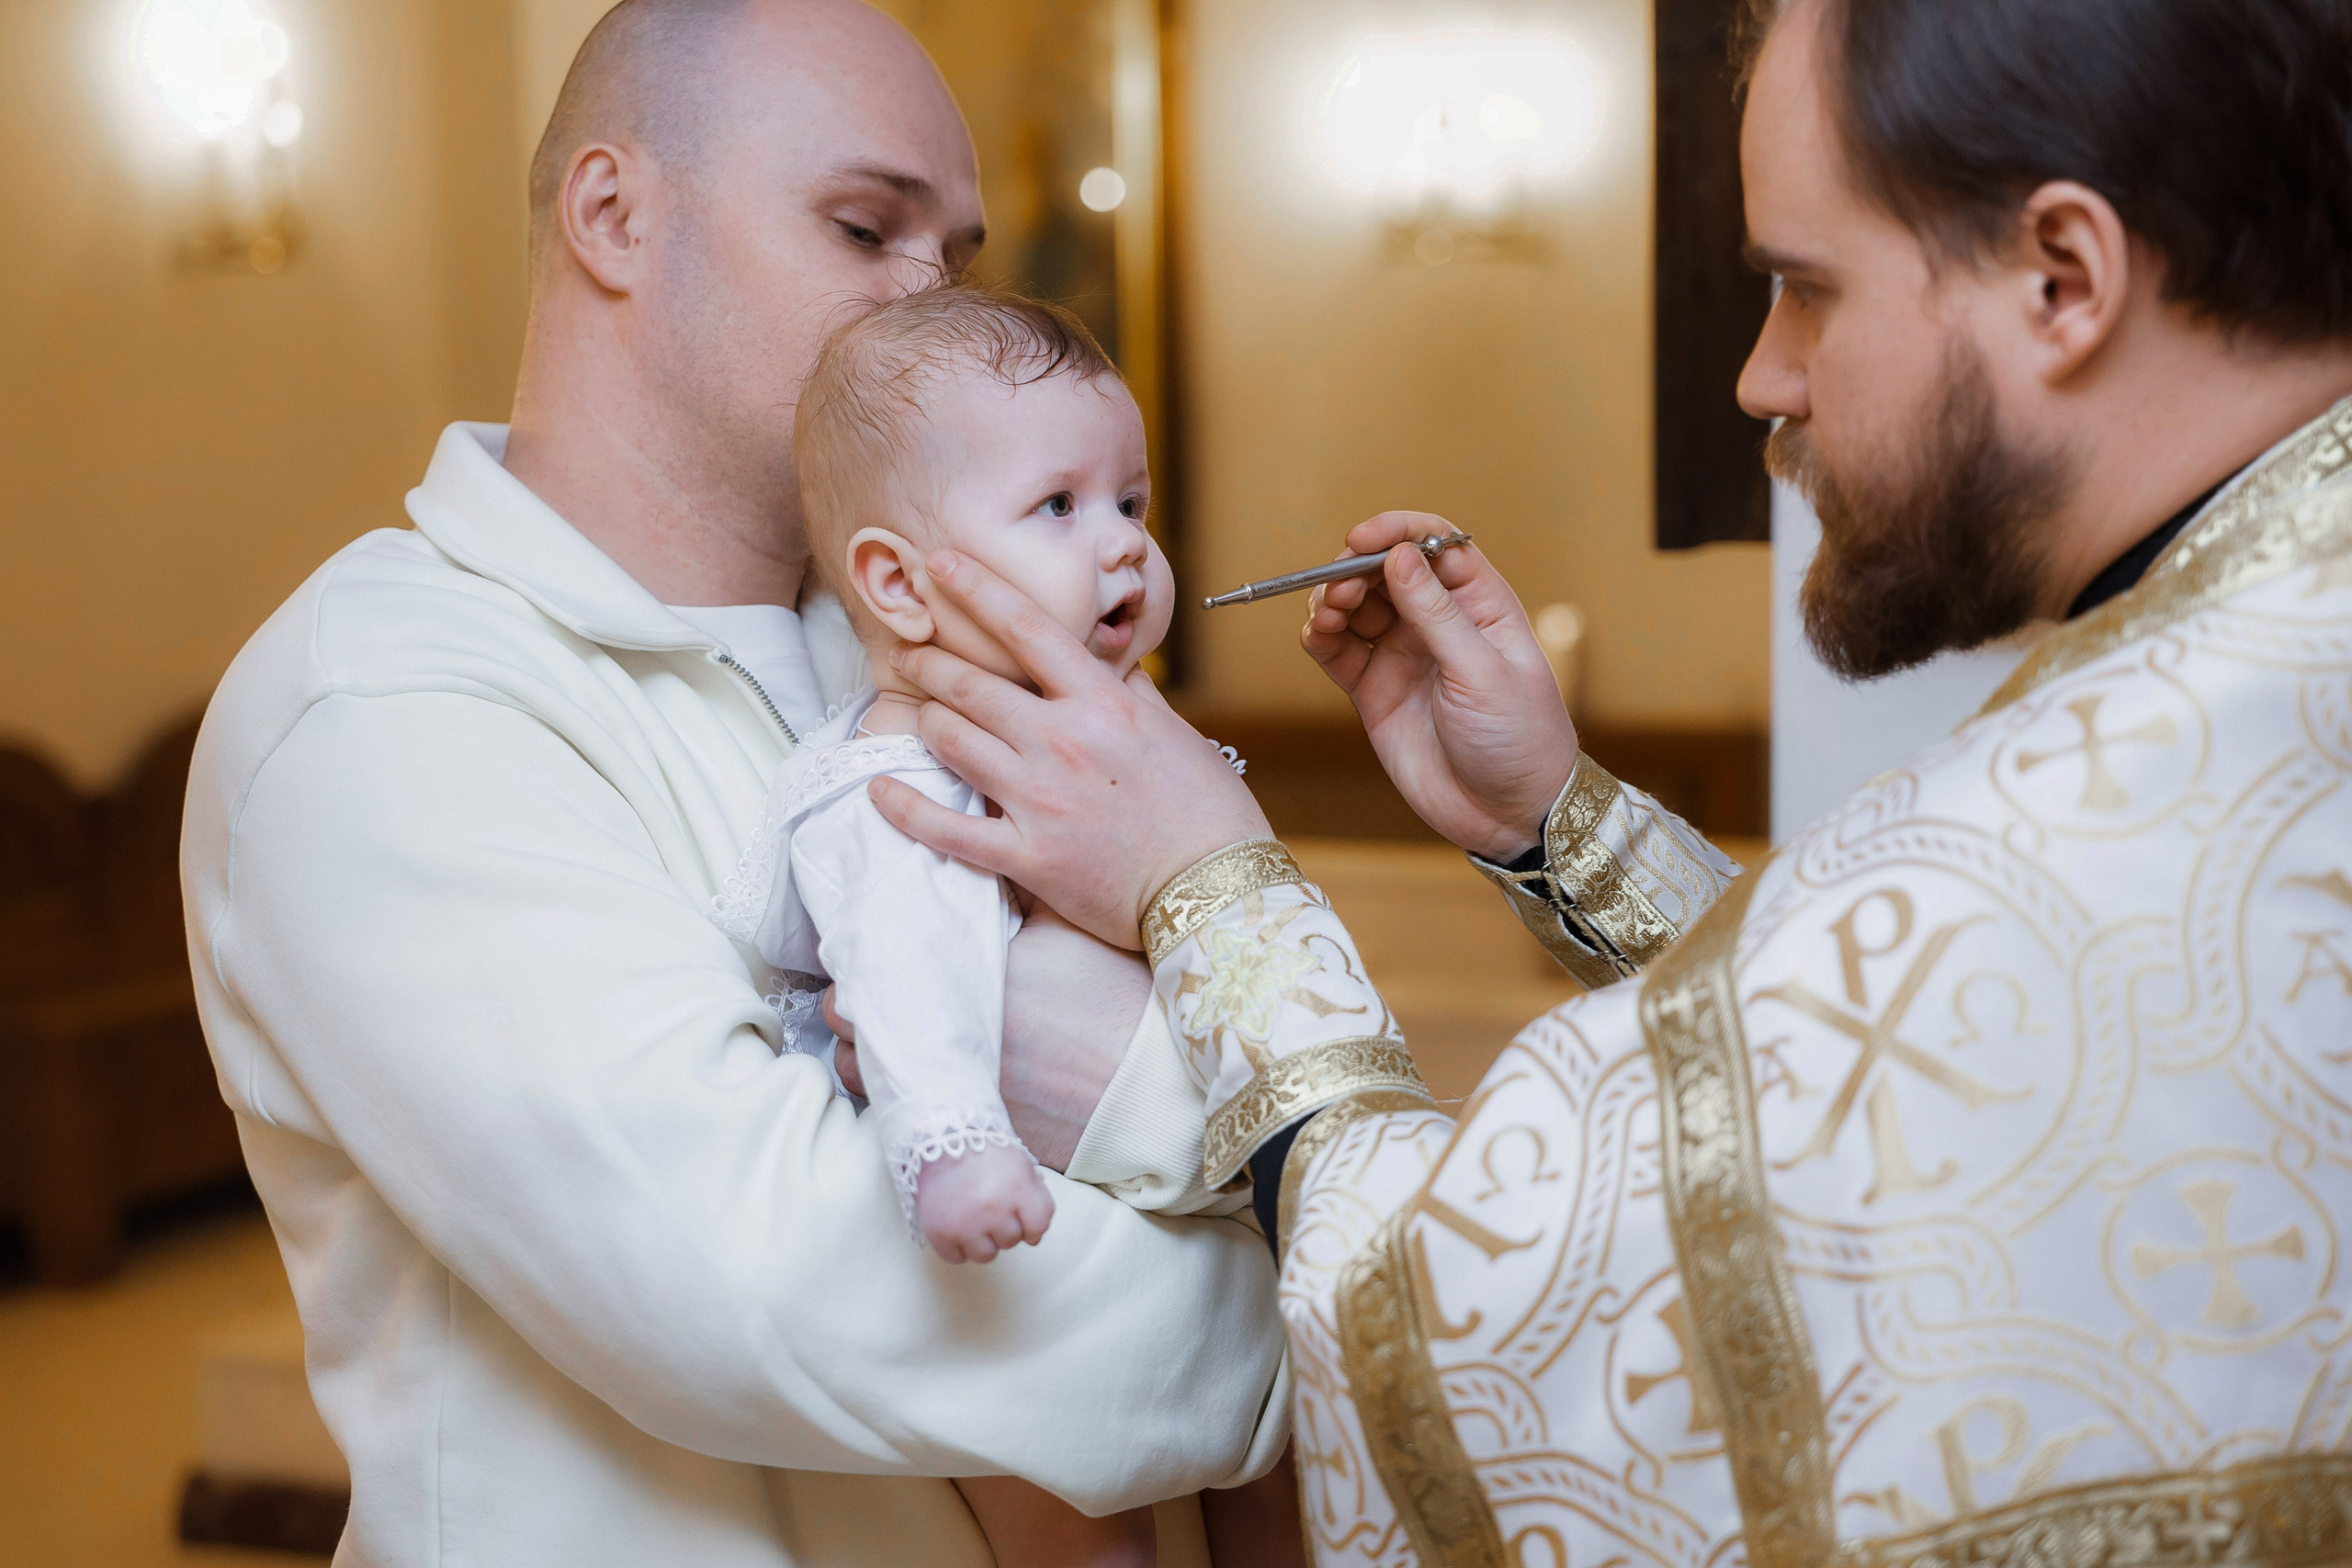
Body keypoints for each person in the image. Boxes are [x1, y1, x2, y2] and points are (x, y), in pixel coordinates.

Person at [860, 0, 2352, 1562]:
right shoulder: (2241, 689)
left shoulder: (2156, 788)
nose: (1761, 380)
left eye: (1801, 288)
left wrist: (1208, 892)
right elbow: (1897, 1080)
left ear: (2064, 279)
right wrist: (1557, 820)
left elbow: (1510, 1335)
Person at [179, 4, 1288, 1565]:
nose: (927, 307)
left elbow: (1188, 1025)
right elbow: (772, 1286)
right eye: (862, 228)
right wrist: (1345, 1309)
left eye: (953, 259)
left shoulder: (949, 657)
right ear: (613, 215)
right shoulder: (378, 702)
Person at [722, 283, 1304, 1567]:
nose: (1125, 550)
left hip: (1164, 1184)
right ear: (899, 587)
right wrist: (953, 1140)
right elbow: (906, 976)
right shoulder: (895, 784)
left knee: (1285, 1469)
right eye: (1059, 507)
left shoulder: (1100, 734)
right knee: (1080, 1526)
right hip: (998, 1218)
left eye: (1133, 503)